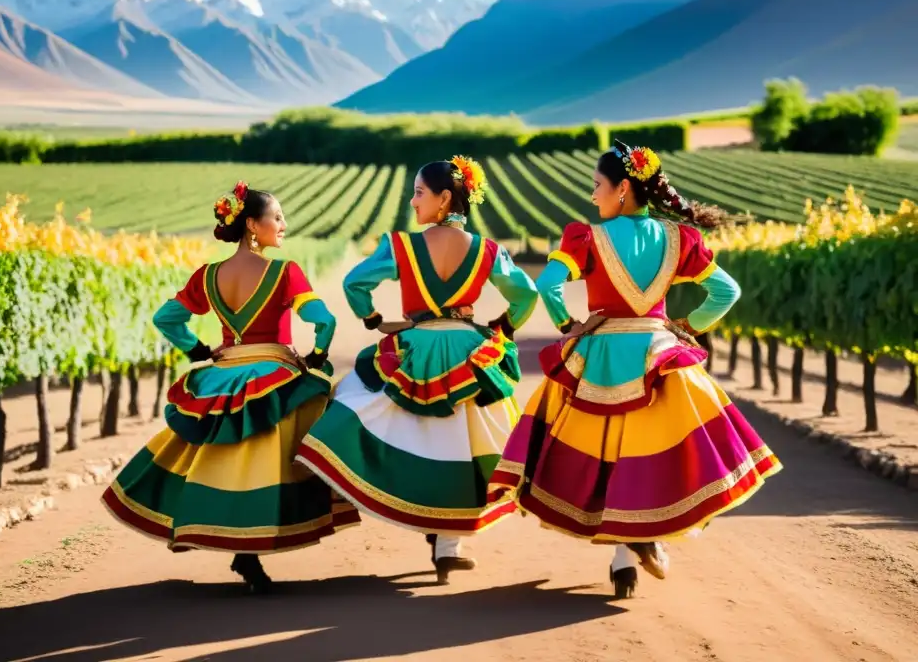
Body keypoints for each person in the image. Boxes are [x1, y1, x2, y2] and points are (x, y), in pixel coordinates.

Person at [488, 145, 782, 599]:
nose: (592, 195)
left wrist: (570, 325)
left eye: (597, 185)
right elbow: (726, 291)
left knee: (601, 456)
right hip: (660, 355)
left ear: (622, 188)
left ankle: (627, 556)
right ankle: (631, 552)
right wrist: (685, 327)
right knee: (650, 456)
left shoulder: (585, 238)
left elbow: (547, 286)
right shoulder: (680, 239)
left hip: (600, 354)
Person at [103, 181, 359, 595]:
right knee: (293, 448)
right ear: (253, 226)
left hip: (223, 374)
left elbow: (166, 319)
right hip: (274, 373)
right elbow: (324, 320)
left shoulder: (207, 276)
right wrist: (315, 356)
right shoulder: (284, 272)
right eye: (277, 217)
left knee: (224, 459)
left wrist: (198, 349)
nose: (284, 224)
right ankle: (254, 544)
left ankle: (240, 547)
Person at [295, 157, 539, 584]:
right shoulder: (488, 250)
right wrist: (502, 326)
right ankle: (448, 546)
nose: (412, 201)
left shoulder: (401, 246)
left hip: (415, 344)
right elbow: (526, 294)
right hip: (469, 349)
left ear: (445, 199)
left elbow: (356, 283)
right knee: (461, 444)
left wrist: (373, 320)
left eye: (419, 192)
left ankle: (413, 514)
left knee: (374, 414)